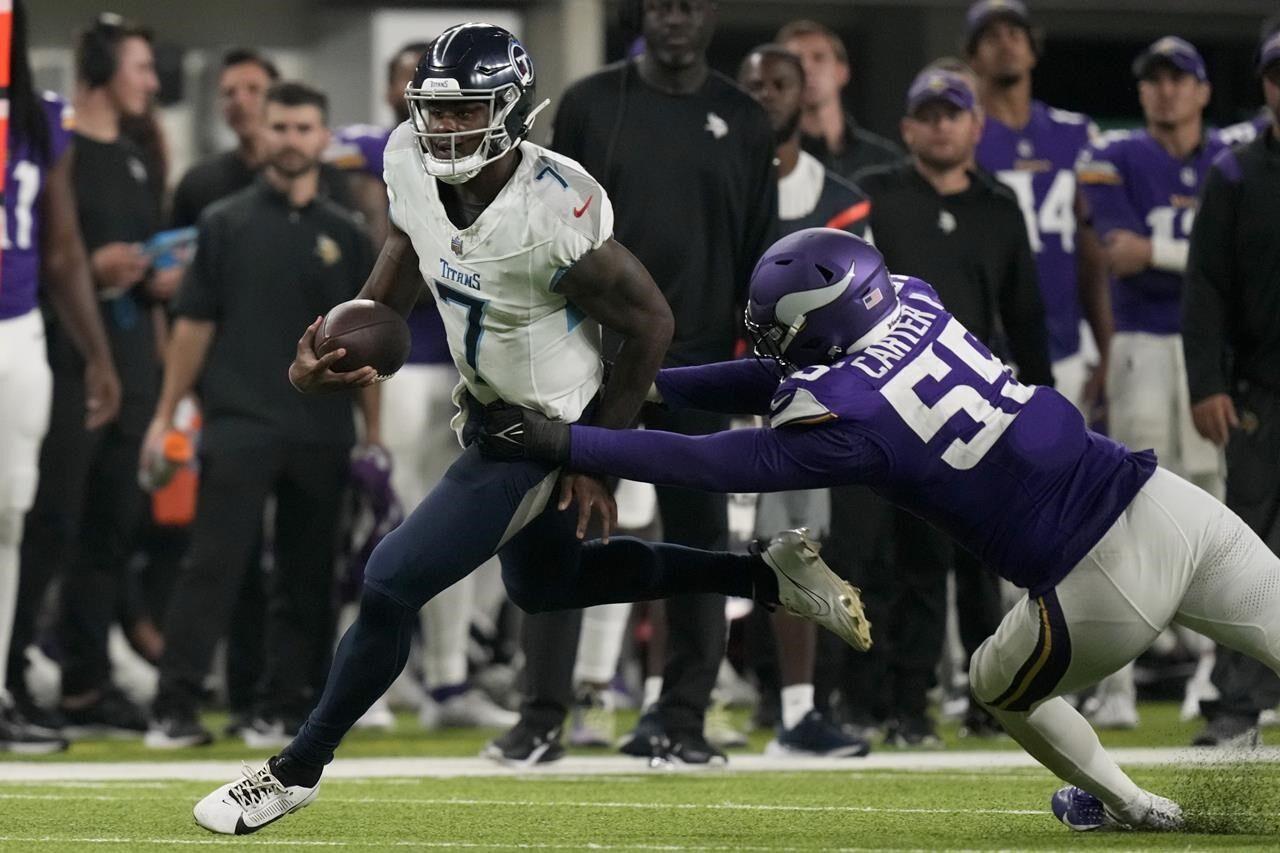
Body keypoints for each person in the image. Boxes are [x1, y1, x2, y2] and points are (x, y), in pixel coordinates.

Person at [190, 24, 863, 835]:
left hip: (542, 426)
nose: (443, 129)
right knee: (546, 584)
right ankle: (762, 578)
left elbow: (652, 322)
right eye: (434, 112)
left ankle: (296, 769)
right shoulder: (408, 158)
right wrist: (348, 338)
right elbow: (407, 245)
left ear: (511, 110)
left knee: (390, 579)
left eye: (464, 111)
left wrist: (594, 455)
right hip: (489, 409)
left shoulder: (552, 209)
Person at [481, 225, 1280, 834]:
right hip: (1167, 501)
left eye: (780, 326)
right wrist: (643, 386)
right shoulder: (915, 297)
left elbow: (719, 462)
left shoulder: (854, 419)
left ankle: (1131, 804)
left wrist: (569, 440)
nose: (768, 340)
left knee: (997, 687)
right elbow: (773, 377)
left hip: (1098, 580)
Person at [492, 0, 779, 767]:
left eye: (690, 5)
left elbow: (760, 256)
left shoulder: (745, 119)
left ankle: (683, 718)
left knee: (700, 541)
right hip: (588, 359)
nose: (676, 18)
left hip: (699, 366)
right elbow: (544, 226)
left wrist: (752, 369)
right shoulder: (589, 103)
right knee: (558, 524)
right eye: (661, 4)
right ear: (640, 13)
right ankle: (540, 717)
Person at [143, 82, 379, 749]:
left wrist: (377, 435)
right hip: (238, 420)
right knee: (213, 569)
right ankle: (175, 708)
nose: (291, 139)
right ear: (263, 134)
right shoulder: (223, 221)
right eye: (280, 127)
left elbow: (367, 343)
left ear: (323, 137)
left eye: (305, 127)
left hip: (323, 429)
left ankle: (283, 708)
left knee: (308, 578)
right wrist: (166, 415)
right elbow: (192, 325)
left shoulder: (349, 234)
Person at [832, 65, 1051, 745]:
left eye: (952, 113)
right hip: (888, 404)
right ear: (906, 128)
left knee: (984, 564)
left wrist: (1041, 405)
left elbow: (1024, 312)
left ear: (976, 125)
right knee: (901, 561)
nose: (940, 125)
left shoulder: (999, 205)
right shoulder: (875, 198)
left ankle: (992, 701)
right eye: (927, 114)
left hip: (977, 405)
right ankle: (902, 704)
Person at [325, 41, 516, 732]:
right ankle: (369, 678)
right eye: (414, 80)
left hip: (472, 360)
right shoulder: (377, 154)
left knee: (461, 530)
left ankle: (447, 677)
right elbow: (381, 241)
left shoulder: (499, 159)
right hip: (400, 360)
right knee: (387, 520)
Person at [16, 12, 164, 739]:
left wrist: (158, 278)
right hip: (64, 358)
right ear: (104, 71)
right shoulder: (55, 136)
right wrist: (94, 270)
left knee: (110, 528)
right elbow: (51, 255)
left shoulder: (139, 154)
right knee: (46, 524)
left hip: (130, 361)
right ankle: (15, 671)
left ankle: (84, 684)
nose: (152, 82)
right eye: (141, 67)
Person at [1075, 35, 1227, 730]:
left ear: (1202, 91)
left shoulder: (1235, 157)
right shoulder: (1113, 155)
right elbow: (1122, 257)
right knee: (1129, 513)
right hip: (1140, 345)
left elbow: (1154, 251)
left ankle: (1215, 677)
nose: (1167, 90)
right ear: (1141, 93)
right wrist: (1203, 254)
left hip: (1212, 351)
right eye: (1155, 79)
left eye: (1180, 78)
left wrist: (1164, 252)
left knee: (1223, 513)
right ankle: (1117, 687)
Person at [736, 42, 870, 757]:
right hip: (718, 381)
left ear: (802, 90)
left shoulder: (839, 195)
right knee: (696, 542)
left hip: (798, 391)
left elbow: (863, 308)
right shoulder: (715, 178)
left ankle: (796, 710)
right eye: (753, 82)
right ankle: (669, 701)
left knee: (797, 546)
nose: (765, 93)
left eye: (778, 81)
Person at [0, 0, 122, 752]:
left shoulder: (41, 117)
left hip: (19, 330)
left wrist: (99, 352)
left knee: (10, 519)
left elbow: (64, 246)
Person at [1180, 29, 1280, 749]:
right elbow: (1204, 289)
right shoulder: (1236, 174)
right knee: (1248, 547)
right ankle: (1239, 705)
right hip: (1262, 392)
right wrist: (1207, 382)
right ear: (1265, 85)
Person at [966, 0, 1111, 415]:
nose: (1006, 44)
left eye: (1015, 35)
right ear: (973, 56)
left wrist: (1107, 347)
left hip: (1065, 343)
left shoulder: (1076, 133)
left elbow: (1092, 250)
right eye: (991, 37)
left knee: (1069, 474)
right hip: (982, 347)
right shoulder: (962, 137)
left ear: (1033, 49)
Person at [170, 49, 355, 228]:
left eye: (253, 89)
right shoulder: (199, 183)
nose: (240, 102)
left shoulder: (327, 181)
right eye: (229, 93)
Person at [775, 19, 901, 181]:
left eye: (818, 58)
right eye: (796, 59)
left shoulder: (884, 160)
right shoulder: (769, 159)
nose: (806, 68)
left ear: (842, 72)